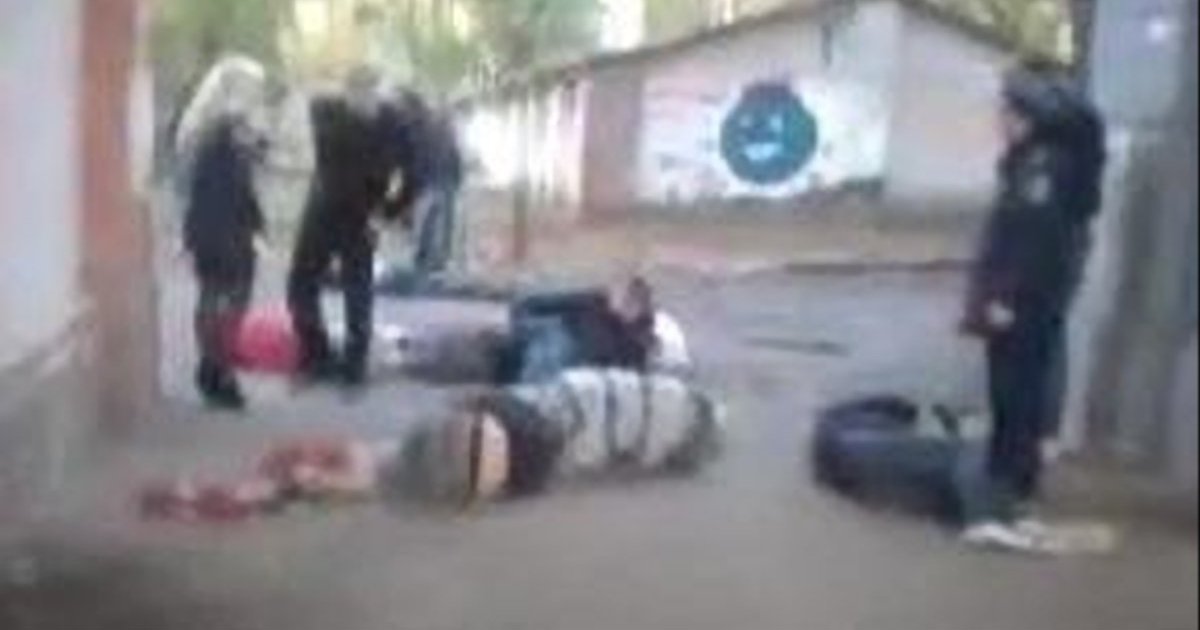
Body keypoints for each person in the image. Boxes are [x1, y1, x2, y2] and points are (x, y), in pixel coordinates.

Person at [959, 64, 1104, 546]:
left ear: (1024, 116)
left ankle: (1007, 498)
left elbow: (1031, 240)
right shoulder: (1038, 163)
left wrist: (1004, 298)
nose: (998, 120)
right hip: (1032, 301)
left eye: (1005, 111)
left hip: (1022, 305)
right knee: (1018, 395)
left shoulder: (1041, 168)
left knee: (1016, 396)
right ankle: (1008, 491)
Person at [390, 368, 725, 506]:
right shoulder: (671, 421)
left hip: (549, 408)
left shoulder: (667, 391)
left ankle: (428, 452)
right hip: (548, 424)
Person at [287, 66, 408, 387]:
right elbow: (328, 154)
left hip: (359, 213)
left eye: (369, 95)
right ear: (348, 93)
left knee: (357, 287)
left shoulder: (393, 122)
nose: (364, 102)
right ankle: (317, 355)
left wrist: (387, 214)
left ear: (378, 94)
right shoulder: (327, 113)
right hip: (326, 208)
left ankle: (353, 364)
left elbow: (411, 173)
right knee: (303, 282)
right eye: (358, 95)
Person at [178, 58, 268, 410]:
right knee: (232, 301)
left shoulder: (198, 126)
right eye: (252, 89)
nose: (256, 96)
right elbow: (236, 182)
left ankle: (212, 369)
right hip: (227, 226)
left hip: (205, 225)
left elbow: (193, 182)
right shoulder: (228, 128)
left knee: (212, 296)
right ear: (234, 90)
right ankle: (219, 371)